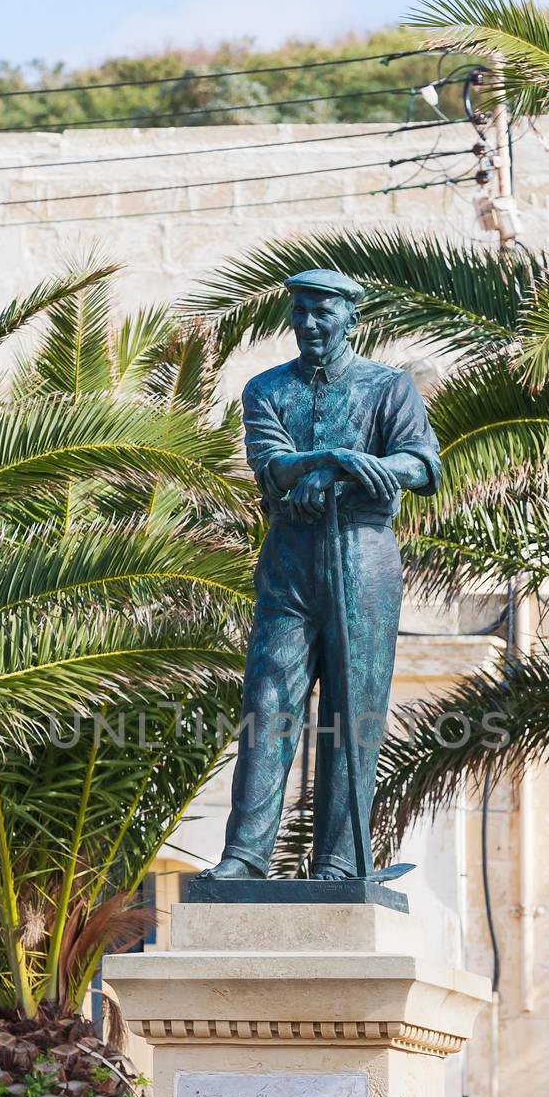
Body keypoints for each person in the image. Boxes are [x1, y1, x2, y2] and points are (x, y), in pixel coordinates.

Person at [203, 268, 441, 881]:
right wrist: (335, 458)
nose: (310, 323)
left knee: (352, 708)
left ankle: (337, 860)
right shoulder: (265, 390)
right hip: (290, 557)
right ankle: (246, 854)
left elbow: (420, 464)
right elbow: (272, 464)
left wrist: (340, 476)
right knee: (268, 702)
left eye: (323, 312)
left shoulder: (388, 388)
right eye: (301, 311)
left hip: (363, 555)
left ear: (350, 318)